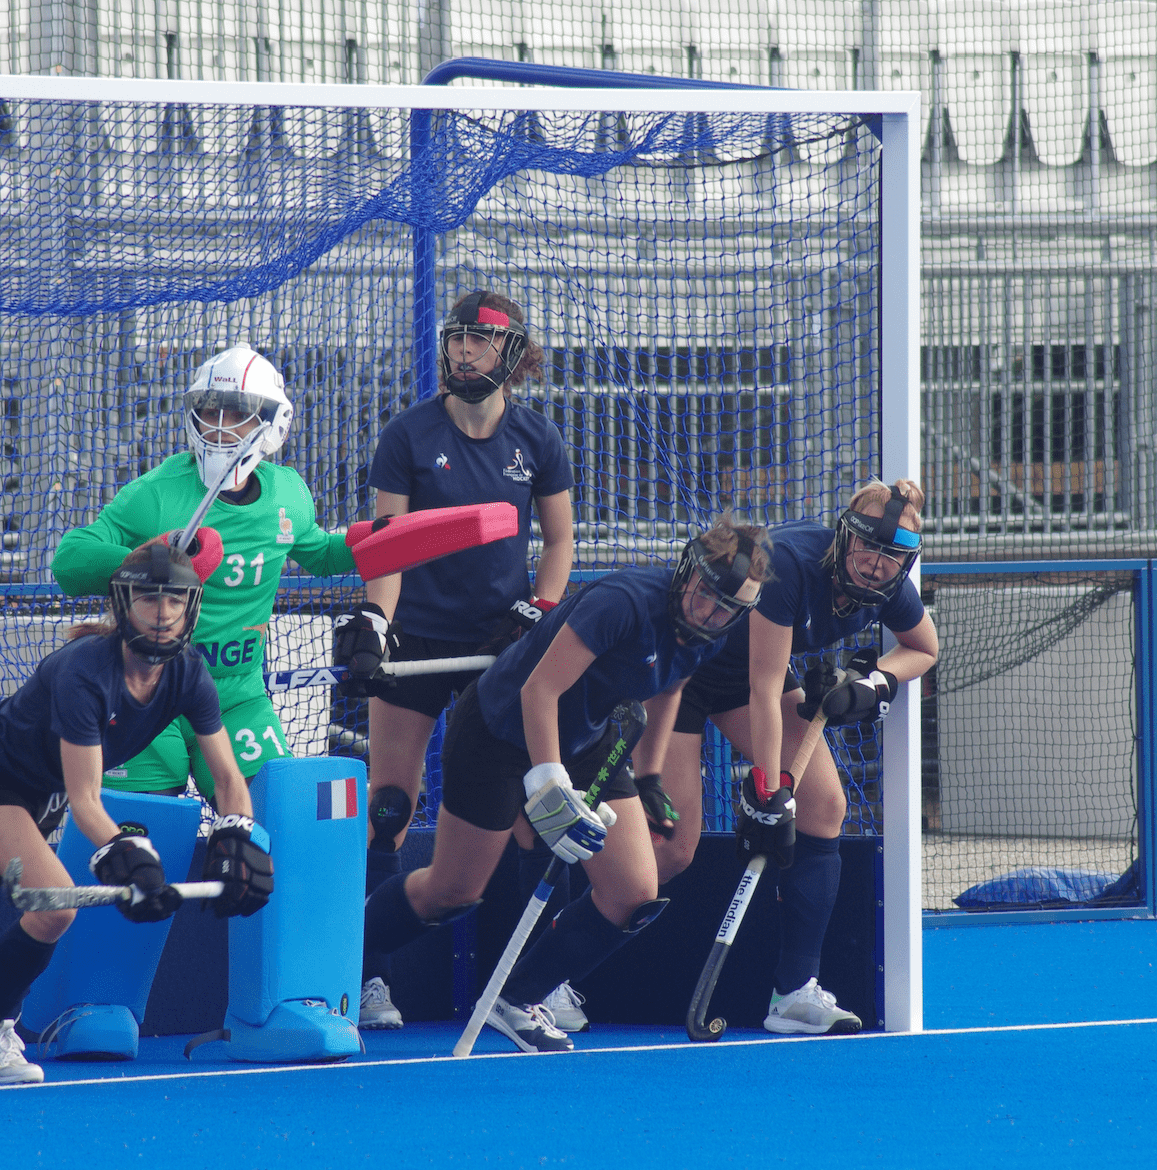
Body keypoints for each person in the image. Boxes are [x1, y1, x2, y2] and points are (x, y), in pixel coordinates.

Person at [360, 518, 769, 1053]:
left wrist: (647, 775)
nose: (708, 613)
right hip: (497, 731)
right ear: (688, 571)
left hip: (588, 740)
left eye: (726, 609)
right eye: (706, 595)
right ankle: (343, 953)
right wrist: (548, 780)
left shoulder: (710, 632)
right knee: (454, 890)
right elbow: (539, 691)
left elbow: (669, 686)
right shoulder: (624, 601)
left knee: (635, 893)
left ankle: (517, 998)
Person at [0, 546, 273, 1084]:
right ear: (123, 604)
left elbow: (227, 779)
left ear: (193, 607)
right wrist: (132, 855)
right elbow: (87, 800)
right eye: (149, 597)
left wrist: (240, 832)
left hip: (43, 791)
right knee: (55, 905)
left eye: (176, 598)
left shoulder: (190, 673)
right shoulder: (83, 672)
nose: (163, 611)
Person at [333, 290, 573, 1031]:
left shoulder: (536, 439)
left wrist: (536, 609)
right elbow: (388, 546)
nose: (464, 351)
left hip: (498, 646)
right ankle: (368, 979)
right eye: (456, 339)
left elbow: (559, 540)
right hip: (418, 640)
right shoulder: (408, 434)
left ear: (511, 353)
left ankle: (522, 985)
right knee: (389, 808)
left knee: (529, 816)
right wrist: (377, 620)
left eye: (479, 341)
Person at [635, 479, 939, 1035]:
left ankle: (793, 994)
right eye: (868, 547)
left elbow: (923, 647)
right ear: (844, 535)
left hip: (744, 681)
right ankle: (553, 968)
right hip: (682, 668)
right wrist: (769, 789)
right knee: (674, 844)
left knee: (825, 804)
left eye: (892, 556)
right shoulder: (790, 564)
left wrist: (875, 684)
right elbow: (765, 685)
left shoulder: (891, 586)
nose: (875, 565)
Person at [52, 343, 357, 802]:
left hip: (237, 697)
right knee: (140, 837)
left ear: (275, 423)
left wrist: (388, 539)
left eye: (238, 414)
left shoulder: (289, 495)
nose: (220, 427)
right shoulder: (156, 494)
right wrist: (151, 561)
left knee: (280, 818)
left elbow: (324, 555)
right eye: (210, 411)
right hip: (147, 690)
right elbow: (69, 562)